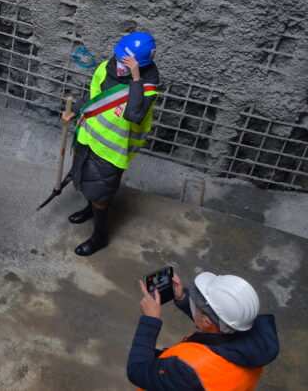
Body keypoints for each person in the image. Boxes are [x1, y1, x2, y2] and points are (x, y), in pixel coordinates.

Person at [62, 32, 160, 256]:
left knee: (101, 194)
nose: (119, 65)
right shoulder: (107, 67)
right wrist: (75, 111)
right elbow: (95, 98)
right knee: (89, 183)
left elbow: (134, 115)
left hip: (112, 149)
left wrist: (136, 78)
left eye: (127, 62)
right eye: (119, 57)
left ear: (140, 65)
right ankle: (90, 209)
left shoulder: (147, 88)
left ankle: (100, 236)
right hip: (89, 137)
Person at [128, 271, 279, 390]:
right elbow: (216, 323)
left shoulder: (190, 369)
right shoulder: (255, 343)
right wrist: (182, 297)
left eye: (196, 307)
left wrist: (150, 320)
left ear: (207, 321)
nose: (194, 306)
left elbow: (137, 371)